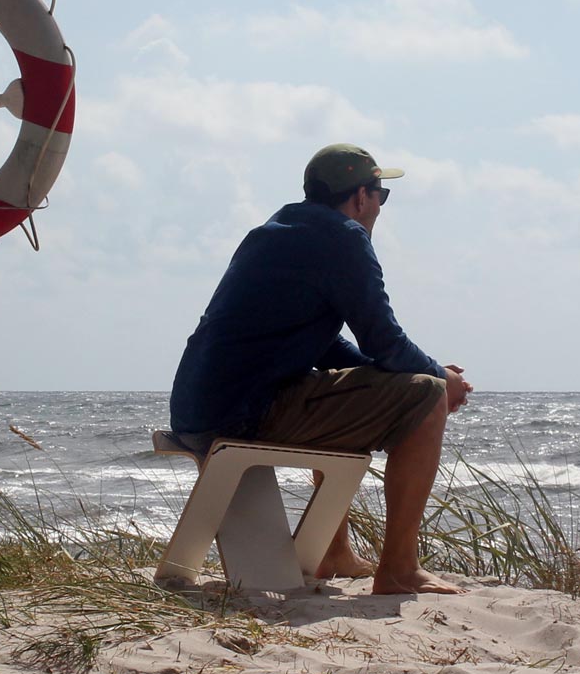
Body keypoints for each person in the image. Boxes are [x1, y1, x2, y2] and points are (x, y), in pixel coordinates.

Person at [169, 143, 471, 595]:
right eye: (382, 195)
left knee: (349, 388)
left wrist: (395, 376)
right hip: (243, 413)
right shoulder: (344, 237)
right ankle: (399, 569)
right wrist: (440, 379)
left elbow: (327, 346)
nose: (380, 207)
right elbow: (384, 341)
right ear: (362, 197)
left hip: (198, 409)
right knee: (426, 397)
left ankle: (334, 551)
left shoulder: (273, 232)